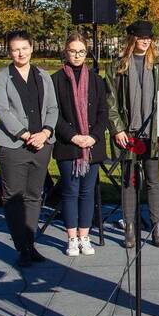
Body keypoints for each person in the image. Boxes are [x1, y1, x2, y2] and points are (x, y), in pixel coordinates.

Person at [0, 30, 59, 268]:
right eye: (15, 49)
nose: (20, 53)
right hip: (14, 147)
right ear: (10, 52)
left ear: (32, 47)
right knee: (13, 197)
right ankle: (22, 247)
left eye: (24, 48)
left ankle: (31, 244)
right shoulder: (2, 77)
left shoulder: (43, 75)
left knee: (34, 196)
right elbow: (3, 111)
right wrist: (25, 134)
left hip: (41, 146)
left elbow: (52, 108)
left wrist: (45, 133)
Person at [107, 20, 159, 249]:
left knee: (153, 182)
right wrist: (117, 129)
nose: (146, 41)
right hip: (129, 134)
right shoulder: (117, 66)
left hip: (152, 133)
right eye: (142, 37)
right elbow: (111, 101)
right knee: (129, 182)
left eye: (149, 37)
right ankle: (130, 230)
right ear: (132, 38)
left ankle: (156, 229)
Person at [52, 33, 108, 256]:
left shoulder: (96, 80)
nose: (77, 55)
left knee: (87, 192)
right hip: (69, 145)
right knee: (70, 191)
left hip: (92, 145)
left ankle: (85, 236)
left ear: (87, 53)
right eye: (73, 51)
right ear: (66, 51)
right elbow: (53, 114)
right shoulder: (56, 79)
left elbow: (103, 112)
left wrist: (93, 136)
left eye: (81, 52)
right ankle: (71, 238)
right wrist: (73, 136)